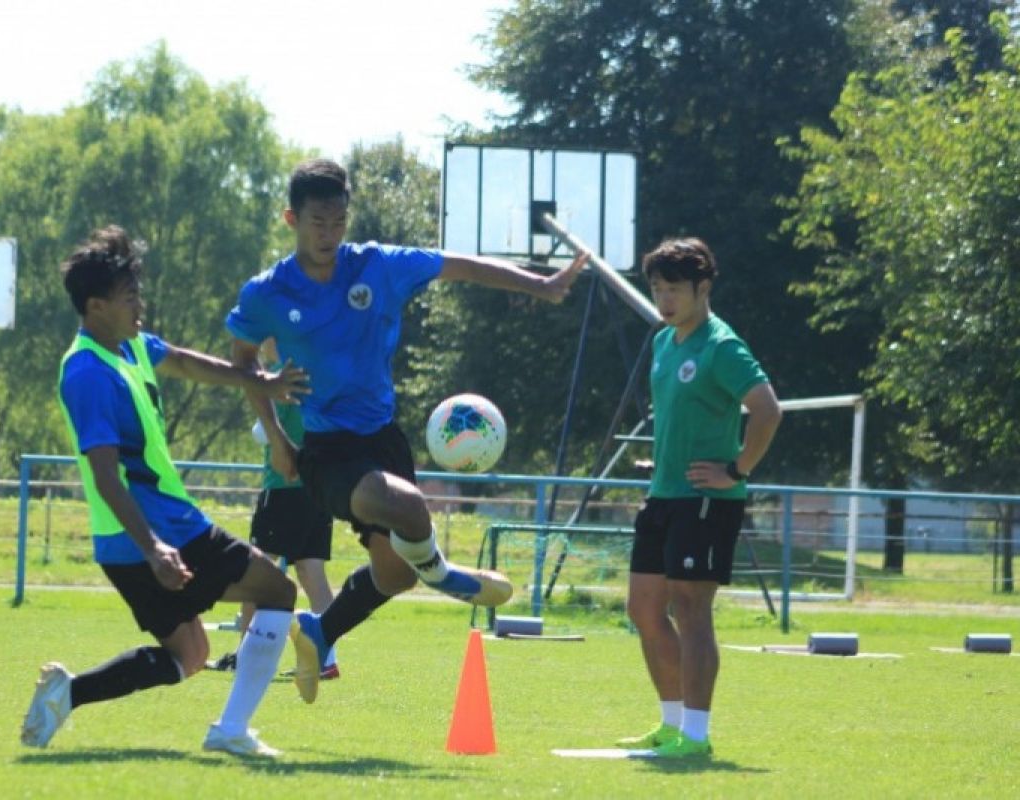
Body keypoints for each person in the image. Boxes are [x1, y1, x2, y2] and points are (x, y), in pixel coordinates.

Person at [226, 158, 588, 702]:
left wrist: (539, 284)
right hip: (323, 449)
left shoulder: (377, 266)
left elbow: (459, 266)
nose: (329, 234)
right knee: (413, 510)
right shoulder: (267, 292)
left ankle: (320, 631)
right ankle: (447, 577)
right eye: (317, 223)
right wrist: (277, 438)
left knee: (394, 576)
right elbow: (242, 362)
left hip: (382, 438)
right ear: (290, 219)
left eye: (338, 221)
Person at [21, 225, 313, 758]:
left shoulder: (127, 346)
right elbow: (106, 475)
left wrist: (259, 382)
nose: (140, 305)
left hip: (137, 541)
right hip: (160, 533)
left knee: (190, 655)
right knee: (277, 592)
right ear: (95, 306)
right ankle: (230, 731)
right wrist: (154, 547)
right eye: (129, 296)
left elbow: (180, 360)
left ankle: (69, 693)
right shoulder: (88, 372)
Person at [618, 237, 782, 758]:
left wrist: (737, 468)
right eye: (658, 289)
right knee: (644, 610)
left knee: (691, 610)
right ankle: (670, 723)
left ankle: (696, 734)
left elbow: (767, 410)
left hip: (707, 501)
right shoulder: (665, 343)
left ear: (703, 288)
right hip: (663, 496)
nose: (664, 300)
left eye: (675, 290)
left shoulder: (721, 346)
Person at [217, 338, 340, 680]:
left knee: (255, 571)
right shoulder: (314, 373)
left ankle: (246, 656)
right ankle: (327, 658)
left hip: (284, 487)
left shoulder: (277, 377)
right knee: (312, 574)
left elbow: (262, 433)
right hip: (319, 487)